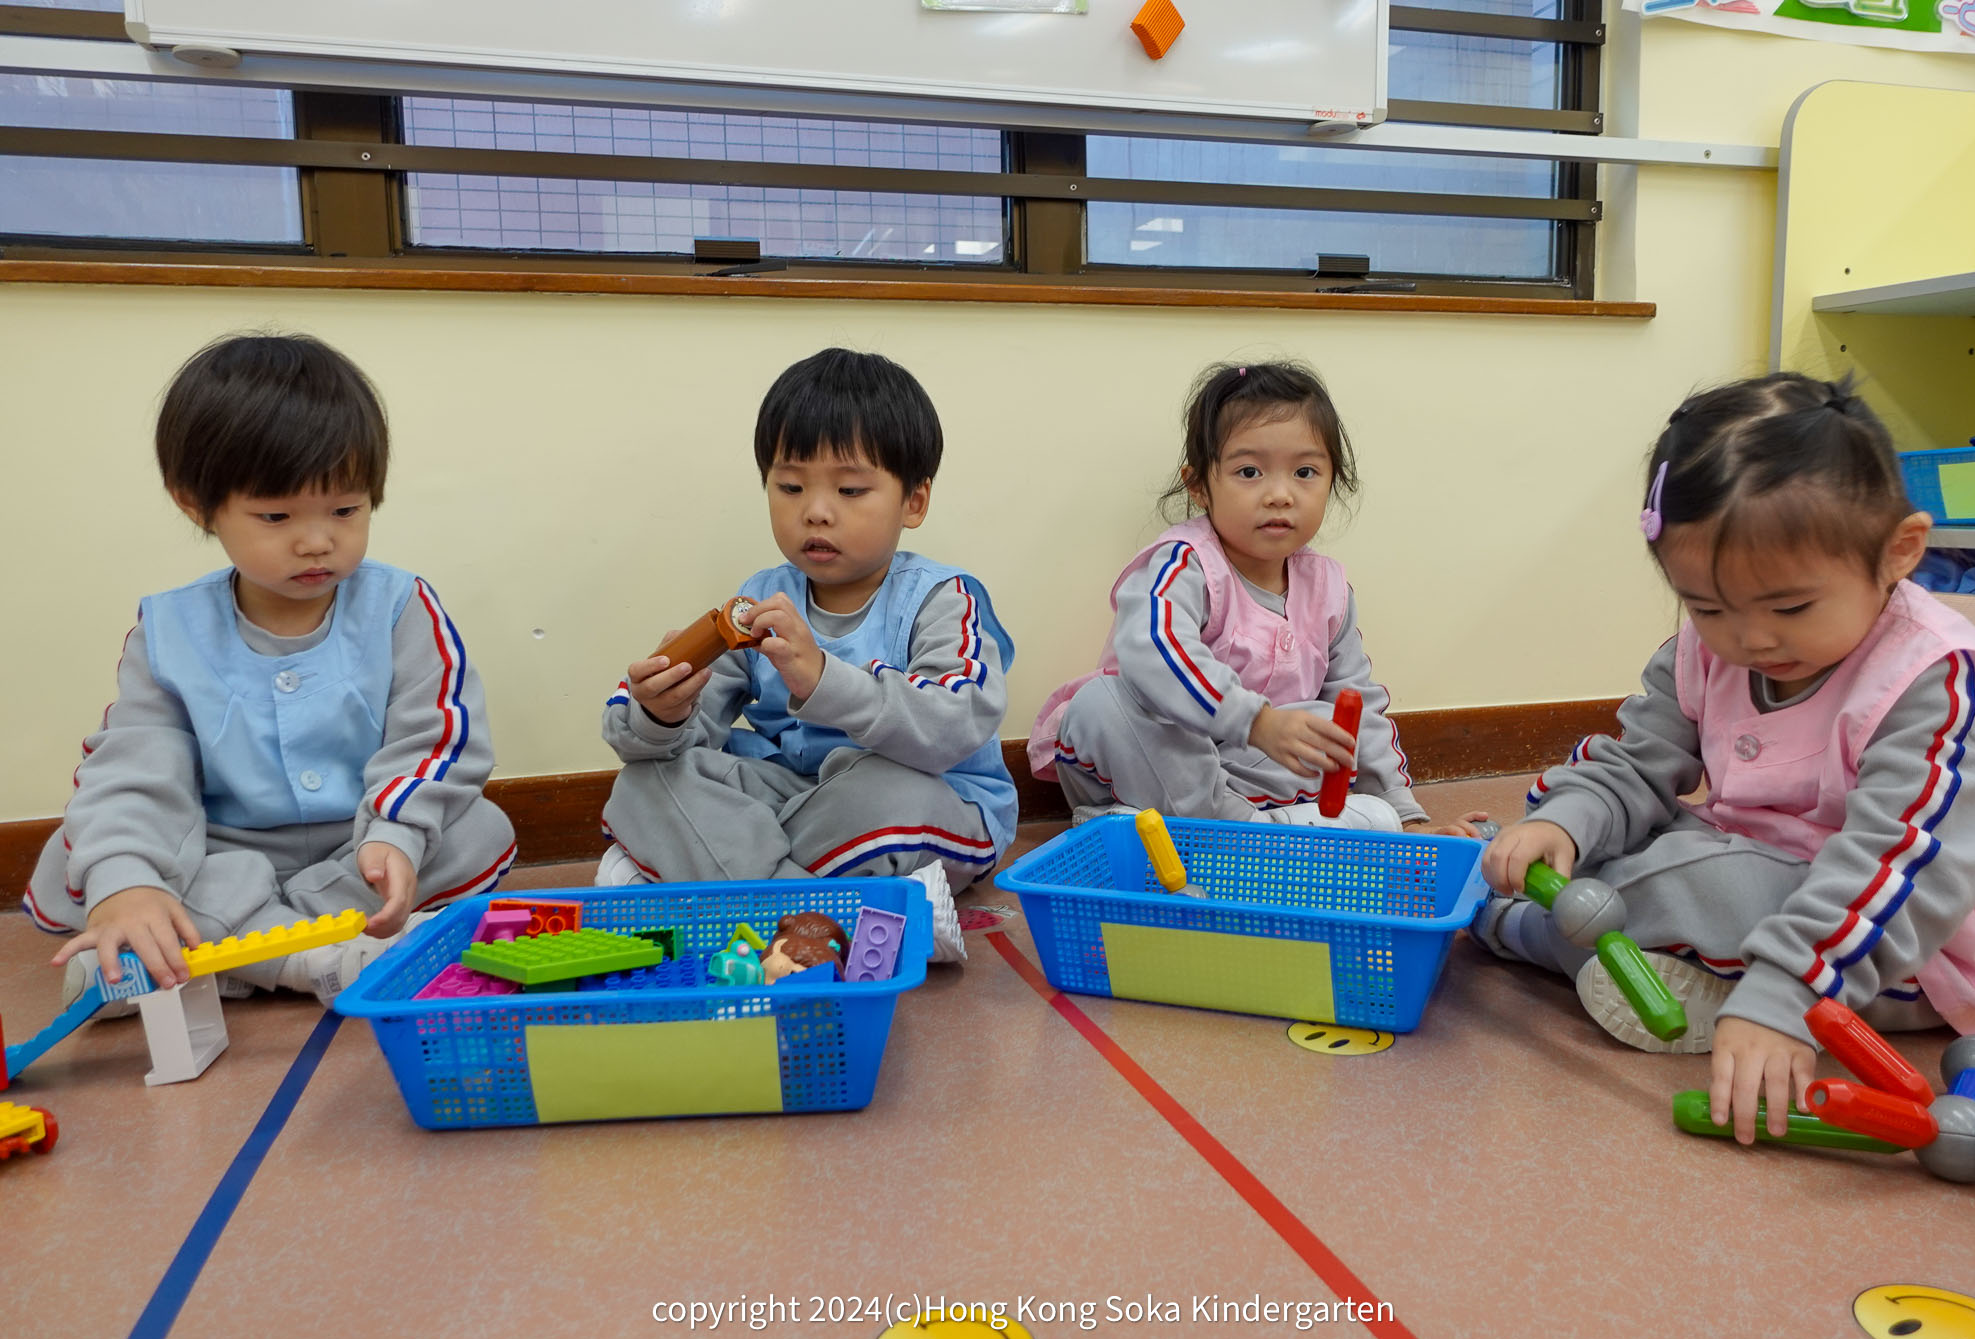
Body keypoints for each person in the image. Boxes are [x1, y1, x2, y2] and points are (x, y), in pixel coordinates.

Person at [1478, 372, 1975, 1141]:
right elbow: (1638, 764)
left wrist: (1787, 992)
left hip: (1904, 950)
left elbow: (1895, 872)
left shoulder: (1941, 683)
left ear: (1899, 552)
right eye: (1707, 606)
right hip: (1763, 872)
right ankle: (1614, 934)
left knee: (1680, 878)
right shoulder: (1710, 647)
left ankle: (1510, 921)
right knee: (1602, 827)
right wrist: (1568, 823)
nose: (1749, 638)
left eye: (1790, 606)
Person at [25, 334, 516, 1007]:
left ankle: (219, 959)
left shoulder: (402, 604)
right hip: (221, 854)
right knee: (100, 862)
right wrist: (129, 881)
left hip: (362, 844)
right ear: (194, 503)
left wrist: (395, 836)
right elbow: (136, 765)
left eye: (345, 510)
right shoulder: (169, 629)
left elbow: (437, 737)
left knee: (477, 830)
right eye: (276, 515)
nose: (317, 540)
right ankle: (314, 956)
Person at [598, 348, 1015, 963]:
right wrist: (660, 714)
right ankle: (846, 921)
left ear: (914, 502)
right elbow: (681, 741)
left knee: (882, 791)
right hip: (793, 801)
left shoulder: (944, 598)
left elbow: (956, 725)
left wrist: (821, 678)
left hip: (923, 796)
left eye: (850, 489)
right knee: (645, 781)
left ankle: (715, 888)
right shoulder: (760, 600)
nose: (815, 510)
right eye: (790, 486)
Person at [1028, 360, 1478, 835]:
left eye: (1305, 472)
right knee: (1101, 702)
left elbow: (1358, 708)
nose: (1280, 494)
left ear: (1332, 482)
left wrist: (1405, 817)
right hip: (1153, 760)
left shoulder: (1328, 589)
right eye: (1249, 471)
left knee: (1330, 719)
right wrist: (1256, 721)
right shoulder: (1183, 564)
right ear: (1199, 486)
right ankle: (1230, 833)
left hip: (1244, 778)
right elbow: (1154, 652)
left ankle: (1244, 829)